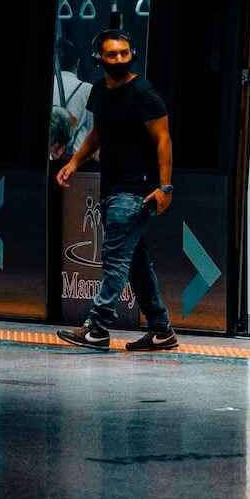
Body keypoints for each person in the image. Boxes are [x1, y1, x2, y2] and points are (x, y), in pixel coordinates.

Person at [53, 29, 178, 352]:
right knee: (135, 262)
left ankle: (96, 327)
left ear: (132, 54)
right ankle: (161, 329)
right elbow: (97, 132)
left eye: (124, 53)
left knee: (115, 260)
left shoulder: (144, 93)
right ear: (100, 59)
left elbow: (163, 141)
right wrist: (74, 162)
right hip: (111, 189)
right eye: (112, 54)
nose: (120, 59)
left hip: (134, 192)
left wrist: (165, 187)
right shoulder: (100, 91)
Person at [53, 36, 93, 154]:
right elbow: (92, 129)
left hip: (49, 154)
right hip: (75, 157)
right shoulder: (87, 89)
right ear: (78, 62)